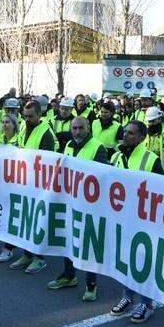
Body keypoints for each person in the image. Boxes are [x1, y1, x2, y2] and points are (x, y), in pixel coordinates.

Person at [48, 116, 112, 301]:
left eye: (80, 128)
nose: (76, 132)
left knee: (88, 244)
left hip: (90, 204)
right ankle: (69, 276)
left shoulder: (97, 147)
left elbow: (100, 176)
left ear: (88, 127)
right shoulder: (68, 144)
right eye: (74, 128)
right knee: (68, 238)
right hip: (69, 200)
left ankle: (91, 284)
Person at [108, 120, 164, 324]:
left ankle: (146, 303)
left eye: (131, 133)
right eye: (125, 132)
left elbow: (163, 192)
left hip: (143, 220)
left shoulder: (151, 159)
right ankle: (127, 297)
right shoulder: (115, 156)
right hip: (121, 218)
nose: (126, 135)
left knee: (142, 262)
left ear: (142, 137)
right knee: (124, 259)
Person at [4, 101, 56, 273]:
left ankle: (39, 258)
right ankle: (27, 253)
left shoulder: (46, 133)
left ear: (40, 115)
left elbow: (47, 163)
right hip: (23, 181)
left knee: (37, 221)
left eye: (31, 116)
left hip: (38, 185)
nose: (27, 119)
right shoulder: (25, 128)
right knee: (24, 221)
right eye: (25, 116)